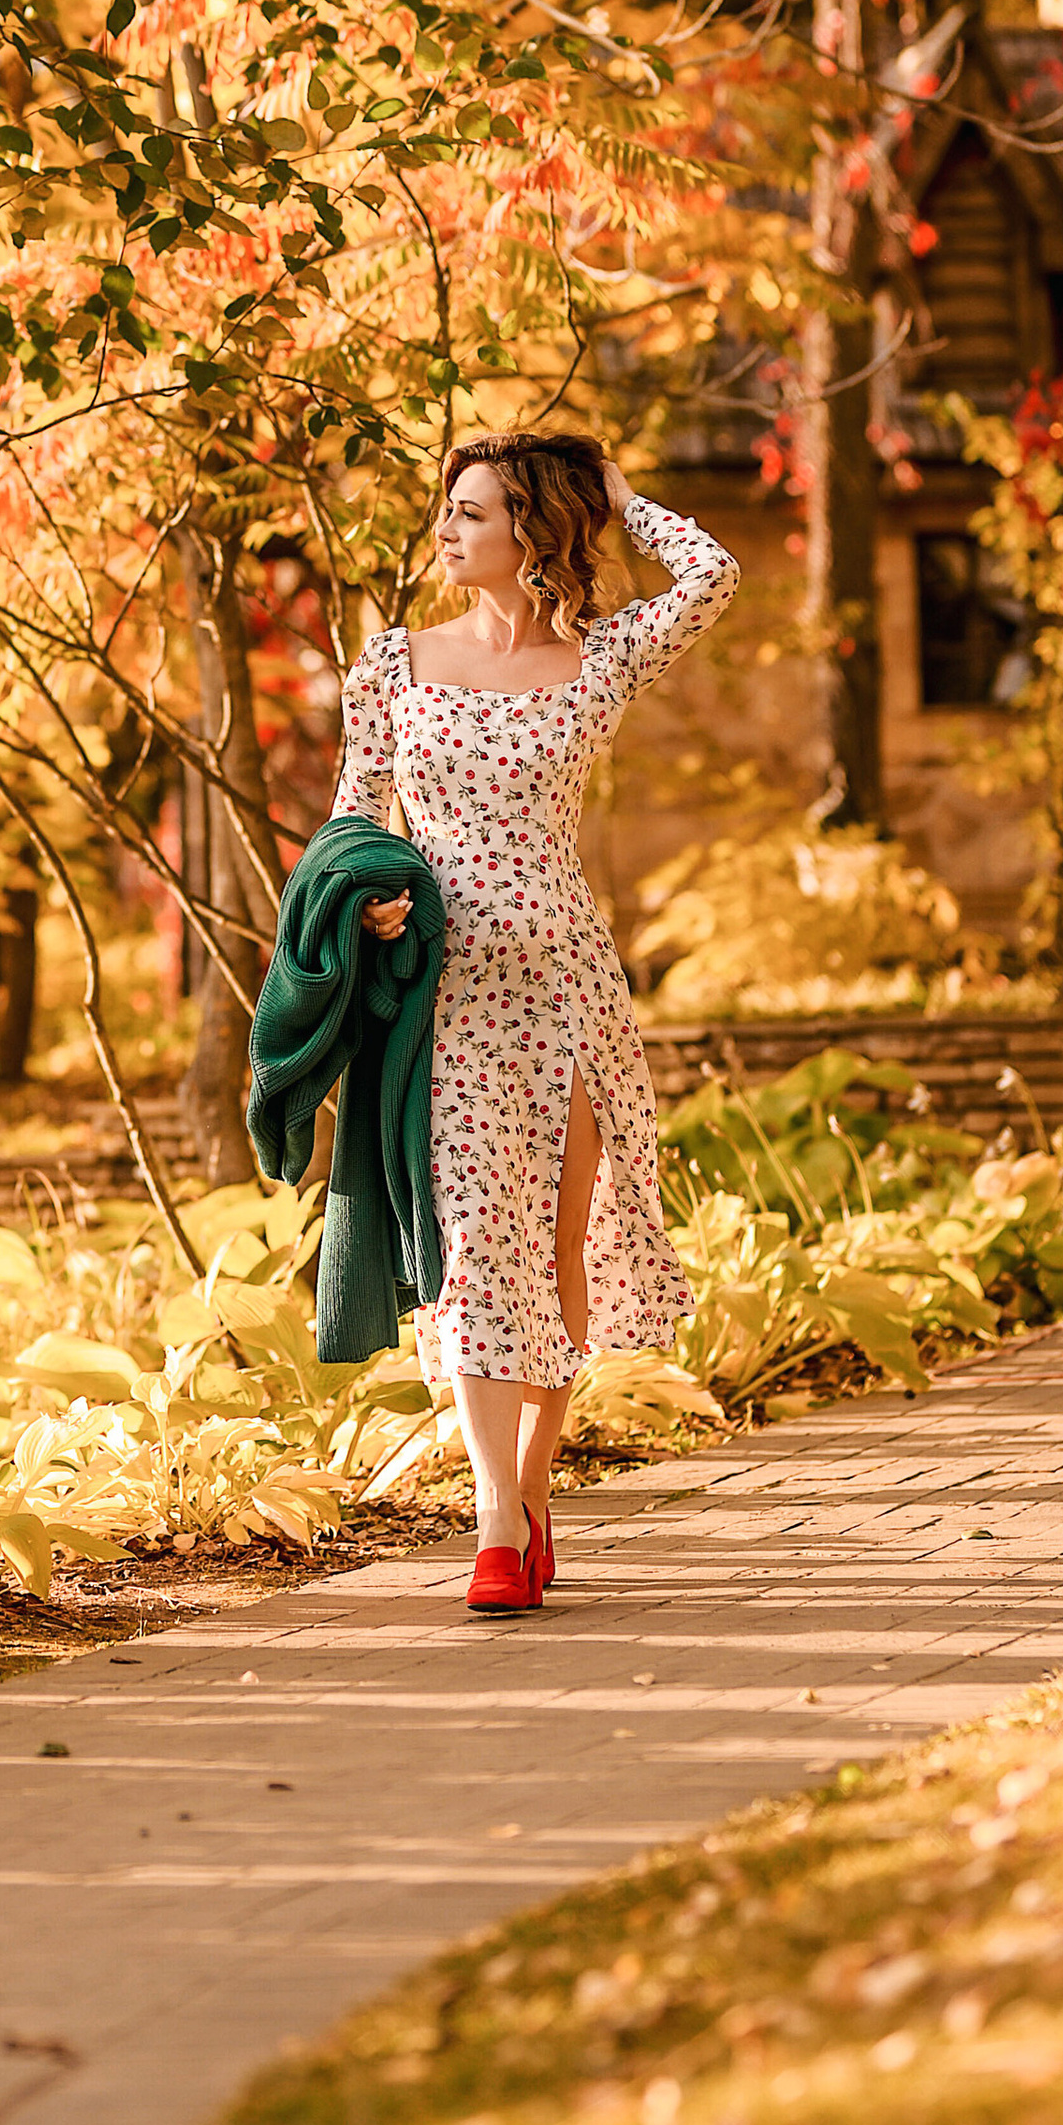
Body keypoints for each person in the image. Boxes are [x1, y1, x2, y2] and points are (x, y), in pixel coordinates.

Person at [331, 433, 739, 1614]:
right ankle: (494, 1526)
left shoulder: (601, 657)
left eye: (470, 514)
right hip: (445, 994)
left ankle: (532, 1497)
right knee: (473, 1251)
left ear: (530, 532)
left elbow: (709, 575)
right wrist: (374, 905)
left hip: (567, 991)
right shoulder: (394, 666)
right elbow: (350, 829)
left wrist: (618, 496)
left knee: (557, 1261)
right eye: (443, 513)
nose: (446, 533)